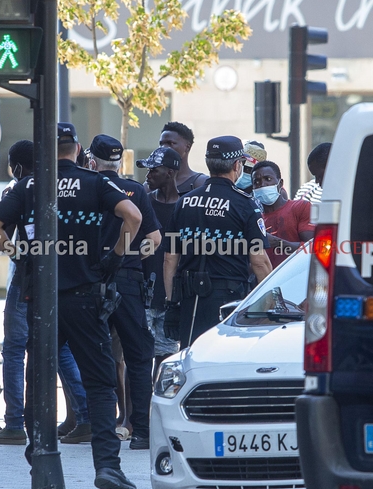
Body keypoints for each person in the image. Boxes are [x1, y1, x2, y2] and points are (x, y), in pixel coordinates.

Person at [0, 123, 142, 489]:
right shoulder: (95, 182)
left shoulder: (28, 186)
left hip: (42, 301)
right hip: (86, 295)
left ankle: (39, 454)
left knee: (38, 379)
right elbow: (133, 217)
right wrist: (114, 258)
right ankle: (108, 467)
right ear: (78, 149)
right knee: (100, 384)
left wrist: (23, 258)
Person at [0, 141, 90, 446]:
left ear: (17, 167)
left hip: (28, 278)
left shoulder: (21, 189)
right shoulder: (66, 186)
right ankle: (86, 416)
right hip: (66, 277)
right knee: (60, 348)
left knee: (14, 349)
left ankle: (15, 423)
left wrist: (17, 253)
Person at [87, 135, 161, 451]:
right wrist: (133, 257)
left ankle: (102, 428)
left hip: (91, 281)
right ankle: (141, 431)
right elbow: (155, 238)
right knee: (139, 356)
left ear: (92, 162)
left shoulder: (86, 187)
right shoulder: (136, 190)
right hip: (128, 281)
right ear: (120, 163)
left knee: (96, 355)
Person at [163, 135, 273, 349]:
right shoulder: (246, 205)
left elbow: (169, 259)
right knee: (224, 358)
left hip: (189, 300)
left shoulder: (185, 202)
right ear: (236, 165)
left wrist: (171, 303)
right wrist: (271, 302)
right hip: (228, 300)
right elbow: (260, 262)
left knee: (191, 357)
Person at [138, 146, 182, 367]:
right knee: (139, 360)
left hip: (172, 299)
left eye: (154, 170)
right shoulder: (143, 202)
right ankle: (137, 404)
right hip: (143, 295)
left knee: (167, 361)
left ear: (171, 173)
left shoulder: (185, 205)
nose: (148, 175)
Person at [251, 160, 314, 268]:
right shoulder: (255, 221)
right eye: (256, 182)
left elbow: (312, 249)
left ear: (280, 183)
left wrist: (276, 242)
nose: (262, 184)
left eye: (268, 179)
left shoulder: (301, 207)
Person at [153, 122, 208, 194]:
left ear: (187, 147)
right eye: (161, 144)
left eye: (170, 143)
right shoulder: (152, 183)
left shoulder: (201, 182)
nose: (164, 147)